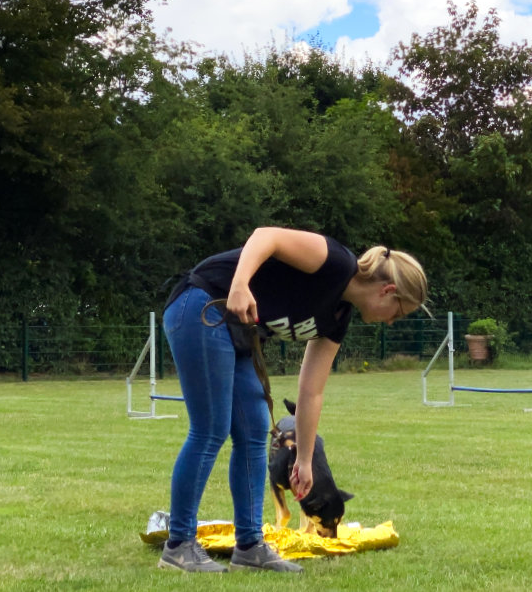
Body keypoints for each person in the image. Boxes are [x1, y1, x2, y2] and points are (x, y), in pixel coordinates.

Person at [156, 226, 428, 573]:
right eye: (397, 312)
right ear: (388, 291)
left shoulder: (338, 317)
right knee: (211, 428)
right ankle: (178, 546)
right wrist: (240, 284)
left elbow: (311, 391)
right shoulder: (334, 262)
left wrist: (304, 458)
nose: (391, 322)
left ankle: (250, 546)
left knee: (254, 431)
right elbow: (266, 237)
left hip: (235, 328)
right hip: (202, 304)